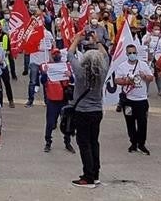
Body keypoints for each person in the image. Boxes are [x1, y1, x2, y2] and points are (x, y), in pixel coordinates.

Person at [68, 32, 108, 188]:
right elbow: (106, 57)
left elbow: (70, 54)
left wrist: (77, 39)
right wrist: (98, 42)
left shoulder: (80, 72)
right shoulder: (103, 73)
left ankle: (88, 177)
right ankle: (95, 174)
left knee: (84, 144)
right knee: (94, 142)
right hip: (97, 111)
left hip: (82, 112)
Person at [114, 44, 154, 155]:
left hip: (141, 100)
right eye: (130, 53)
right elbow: (117, 80)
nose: (132, 55)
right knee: (130, 122)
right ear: (127, 54)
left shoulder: (143, 65)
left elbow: (151, 78)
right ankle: (133, 143)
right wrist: (127, 81)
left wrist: (144, 76)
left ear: (137, 53)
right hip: (128, 101)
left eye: (134, 53)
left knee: (142, 123)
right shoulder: (122, 66)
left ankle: (141, 144)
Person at [40, 48, 75, 153]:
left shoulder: (66, 67)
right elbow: (43, 81)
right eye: (54, 54)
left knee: (66, 122)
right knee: (50, 123)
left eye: (58, 54)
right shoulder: (46, 67)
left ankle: (67, 143)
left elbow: (72, 81)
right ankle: (48, 142)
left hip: (63, 99)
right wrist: (45, 73)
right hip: (52, 100)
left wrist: (70, 75)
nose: (56, 56)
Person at [142, 24, 161, 97]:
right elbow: (144, 45)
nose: (157, 31)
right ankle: (145, 92)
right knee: (149, 76)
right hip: (150, 59)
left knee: (159, 76)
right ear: (152, 29)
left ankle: (160, 91)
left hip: (159, 59)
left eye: (158, 29)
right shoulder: (147, 36)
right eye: (155, 29)